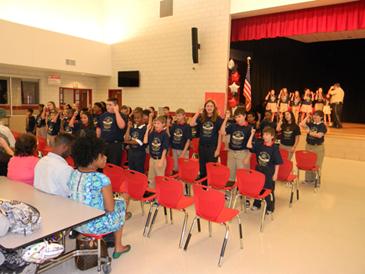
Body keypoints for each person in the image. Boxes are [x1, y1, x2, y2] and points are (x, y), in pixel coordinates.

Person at [68, 134, 131, 258]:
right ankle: (119, 247)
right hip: (94, 227)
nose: (106, 158)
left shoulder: (74, 174)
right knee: (121, 203)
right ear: (92, 158)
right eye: (102, 155)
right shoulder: (102, 179)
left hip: (77, 223)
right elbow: (110, 209)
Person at [247, 127, 283, 213]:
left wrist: (275, 174)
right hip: (259, 169)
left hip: (268, 170)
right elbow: (248, 146)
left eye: (267, 134)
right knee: (258, 187)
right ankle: (257, 204)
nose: (265, 136)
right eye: (263, 134)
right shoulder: (260, 144)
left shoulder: (274, 147)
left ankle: (269, 207)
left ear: (272, 137)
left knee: (268, 189)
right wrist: (252, 134)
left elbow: (277, 162)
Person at [190, 100, 223, 185]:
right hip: (201, 147)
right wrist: (198, 111)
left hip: (212, 147)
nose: (209, 108)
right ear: (205, 108)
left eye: (211, 106)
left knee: (211, 169)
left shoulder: (218, 119)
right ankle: (204, 188)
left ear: (214, 108)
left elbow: (220, 135)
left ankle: (212, 187)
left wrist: (218, 149)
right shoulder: (202, 118)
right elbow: (191, 123)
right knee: (203, 169)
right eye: (207, 106)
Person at [220, 108, 252, 183]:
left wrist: (248, 158)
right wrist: (225, 120)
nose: (237, 119)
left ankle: (242, 193)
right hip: (231, 152)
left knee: (242, 175)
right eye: (236, 117)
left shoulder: (249, 128)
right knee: (230, 175)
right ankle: (230, 193)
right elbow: (222, 132)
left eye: (239, 116)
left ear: (244, 116)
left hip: (242, 153)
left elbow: (251, 145)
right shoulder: (233, 126)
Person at [96, 98, 127, 166]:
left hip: (115, 145)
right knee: (102, 165)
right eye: (107, 104)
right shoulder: (103, 115)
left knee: (113, 166)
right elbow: (99, 127)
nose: (107, 106)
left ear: (116, 106)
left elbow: (122, 126)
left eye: (110, 105)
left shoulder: (121, 115)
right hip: (104, 144)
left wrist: (116, 112)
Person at [300, 110, 327, 185]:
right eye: (314, 115)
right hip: (309, 146)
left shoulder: (322, 126)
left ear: (321, 117)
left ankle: (317, 181)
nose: (314, 117)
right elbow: (302, 124)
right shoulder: (311, 124)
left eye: (316, 116)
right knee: (308, 163)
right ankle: (309, 180)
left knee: (317, 164)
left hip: (318, 147)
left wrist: (309, 132)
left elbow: (319, 135)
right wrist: (307, 116)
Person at [143, 116, 169, 189]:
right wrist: (147, 130)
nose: (156, 125)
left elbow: (165, 149)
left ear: (163, 124)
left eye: (158, 123)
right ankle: (152, 196)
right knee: (151, 179)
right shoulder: (153, 133)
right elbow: (145, 141)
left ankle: (160, 196)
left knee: (160, 179)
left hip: (160, 159)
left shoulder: (164, 134)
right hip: (152, 159)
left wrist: (161, 161)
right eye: (155, 123)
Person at [124, 110, 147, 174]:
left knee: (139, 170)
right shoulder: (133, 128)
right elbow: (126, 138)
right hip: (131, 152)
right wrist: (128, 127)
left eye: (138, 118)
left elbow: (139, 142)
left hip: (139, 153)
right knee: (132, 170)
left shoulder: (144, 128)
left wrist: (128, 142)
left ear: (142, 118)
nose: (136, 119)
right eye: (135, 118)